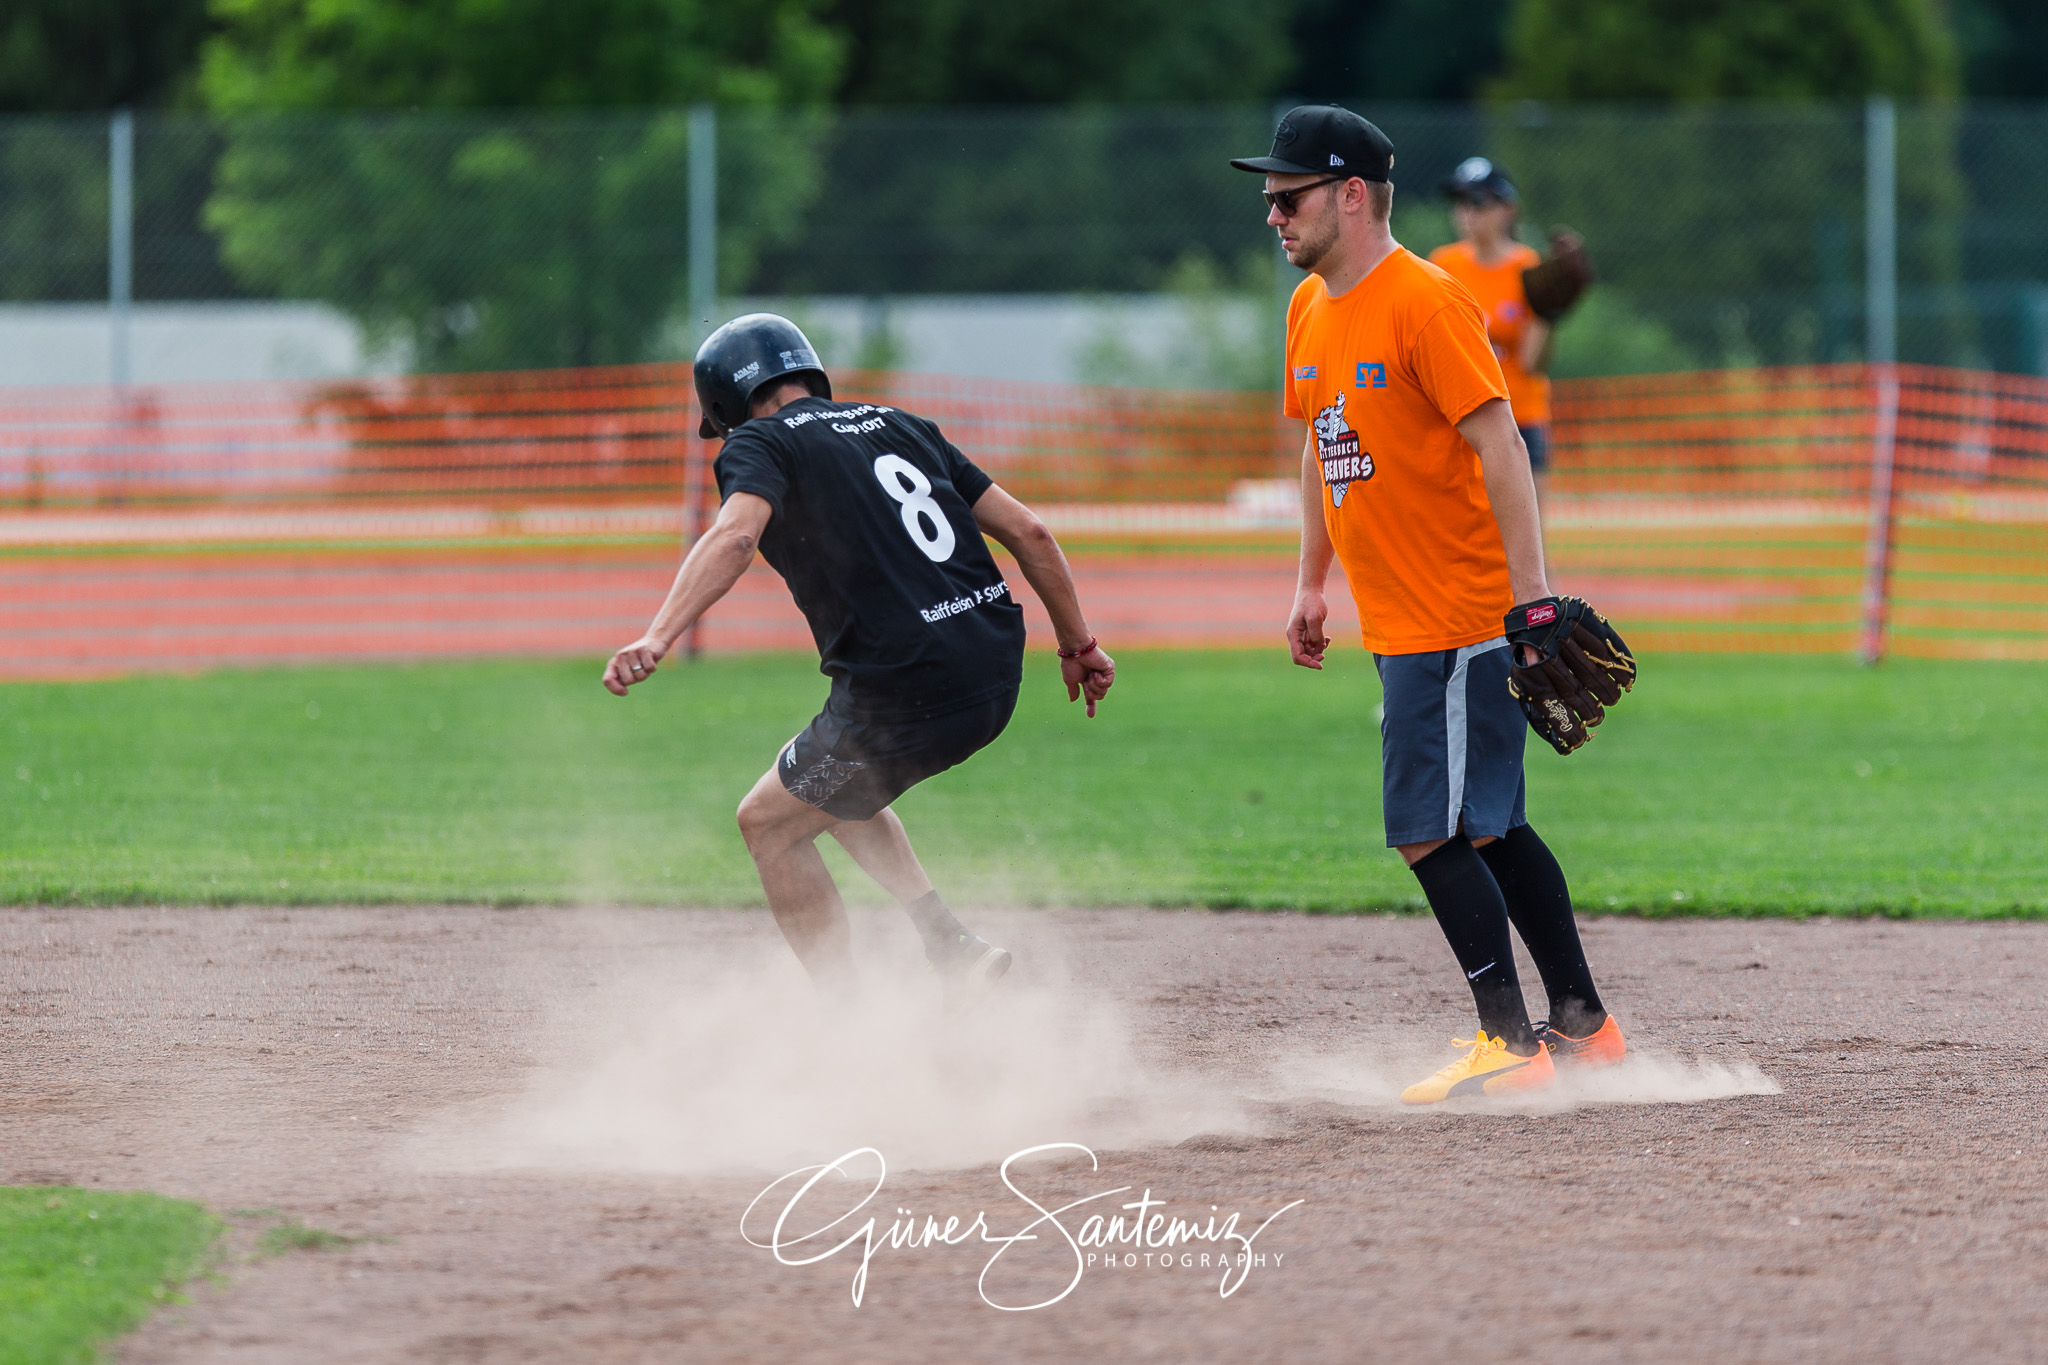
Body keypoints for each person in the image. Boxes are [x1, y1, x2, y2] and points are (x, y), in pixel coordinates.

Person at [1230, 107, 1625, 1104]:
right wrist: (1309, 583)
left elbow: (1498, 439)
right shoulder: (1308, 311)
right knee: (1487, 826)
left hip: (1454, 619)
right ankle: (1583, 1025)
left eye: (1287, 197)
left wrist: (1528, 599)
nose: (1270, 214)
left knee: (1424, 828)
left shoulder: (1424, 301)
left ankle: (1507, 1044)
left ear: (1349, 195)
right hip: (1397, 616)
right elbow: (1324, 452)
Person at [602, 314, 1115, 1007]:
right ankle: (947, 942)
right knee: (820, 778)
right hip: (995, 666)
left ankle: (847, 1027)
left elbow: (733, 537)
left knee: (769, 824)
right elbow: (1032, 531)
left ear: (725, 406)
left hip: (906, 690)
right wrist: (1079, 646)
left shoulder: (759, 440)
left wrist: (657, 635)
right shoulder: (900, 423)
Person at [1428, 158, 1554, 507]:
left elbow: (1532, 363)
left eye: (1478, 202)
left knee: (1529, 544)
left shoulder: (1527, 267)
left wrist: (1548, 317)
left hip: (1521, 415)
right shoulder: (1443, 266)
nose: (1466, 212)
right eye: (1459, 202)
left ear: (1507, 209)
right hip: (1463, 418)